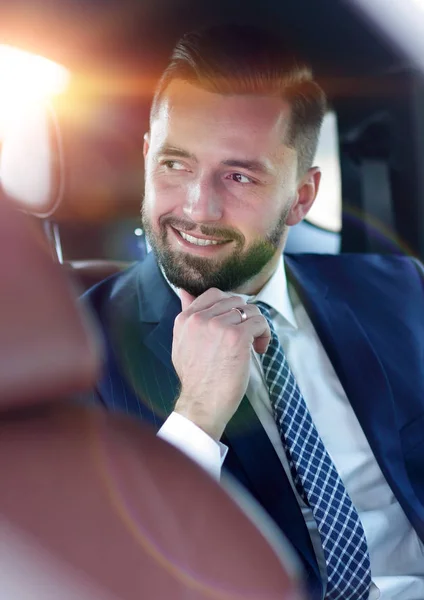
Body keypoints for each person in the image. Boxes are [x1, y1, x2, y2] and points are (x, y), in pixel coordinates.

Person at [84, 24, 424, 600]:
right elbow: (104, 573)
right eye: (175, 164)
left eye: (239, 175)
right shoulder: (74, 351)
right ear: (147, 157)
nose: (197, 206)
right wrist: (196, 418)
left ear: (302, 198)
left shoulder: (398, 290)